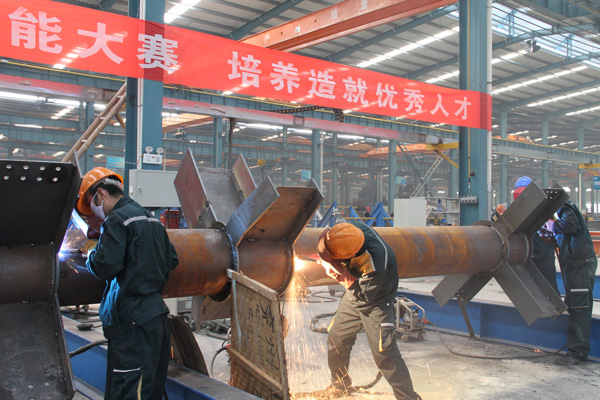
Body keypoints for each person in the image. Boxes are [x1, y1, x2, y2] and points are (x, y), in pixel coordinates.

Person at [76, 167, 179, 399]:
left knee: (129, 390)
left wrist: (92, 250)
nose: (94, 213)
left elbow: (104, 266)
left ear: (101, 194)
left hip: (132, 323)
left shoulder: (116, 220)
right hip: (155, 318)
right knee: (150, 388)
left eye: (91, 204)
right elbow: (172, 259)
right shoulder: (151, 219)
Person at [317, 222, 421, 400]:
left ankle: (408, 398)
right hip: (354, 294)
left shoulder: (377, 261)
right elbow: (354, 290)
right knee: (337, 338)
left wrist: (338, 275)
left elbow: (364, 295)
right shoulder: (348, 231)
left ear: (350, 255)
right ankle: (339, 385)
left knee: (384, 354)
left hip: (376, 302)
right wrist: (328, 257)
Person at [544, 199, 597, 366]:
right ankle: (577, 351)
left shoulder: (564, 207)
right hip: (575, 265)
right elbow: (566, 232)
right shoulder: (561, 212)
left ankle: (577, 353)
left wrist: (553, 226)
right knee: (575, 306)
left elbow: (570, 226)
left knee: (579, 308)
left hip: (580, 265)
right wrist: (552, 236)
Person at [513, 176, 559, 293]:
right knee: (531, 290)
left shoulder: (545, 210)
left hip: (542, 255)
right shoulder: (514, 211)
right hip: (528, 257)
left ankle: (553, 303)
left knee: (549, 289)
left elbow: (555, 226)